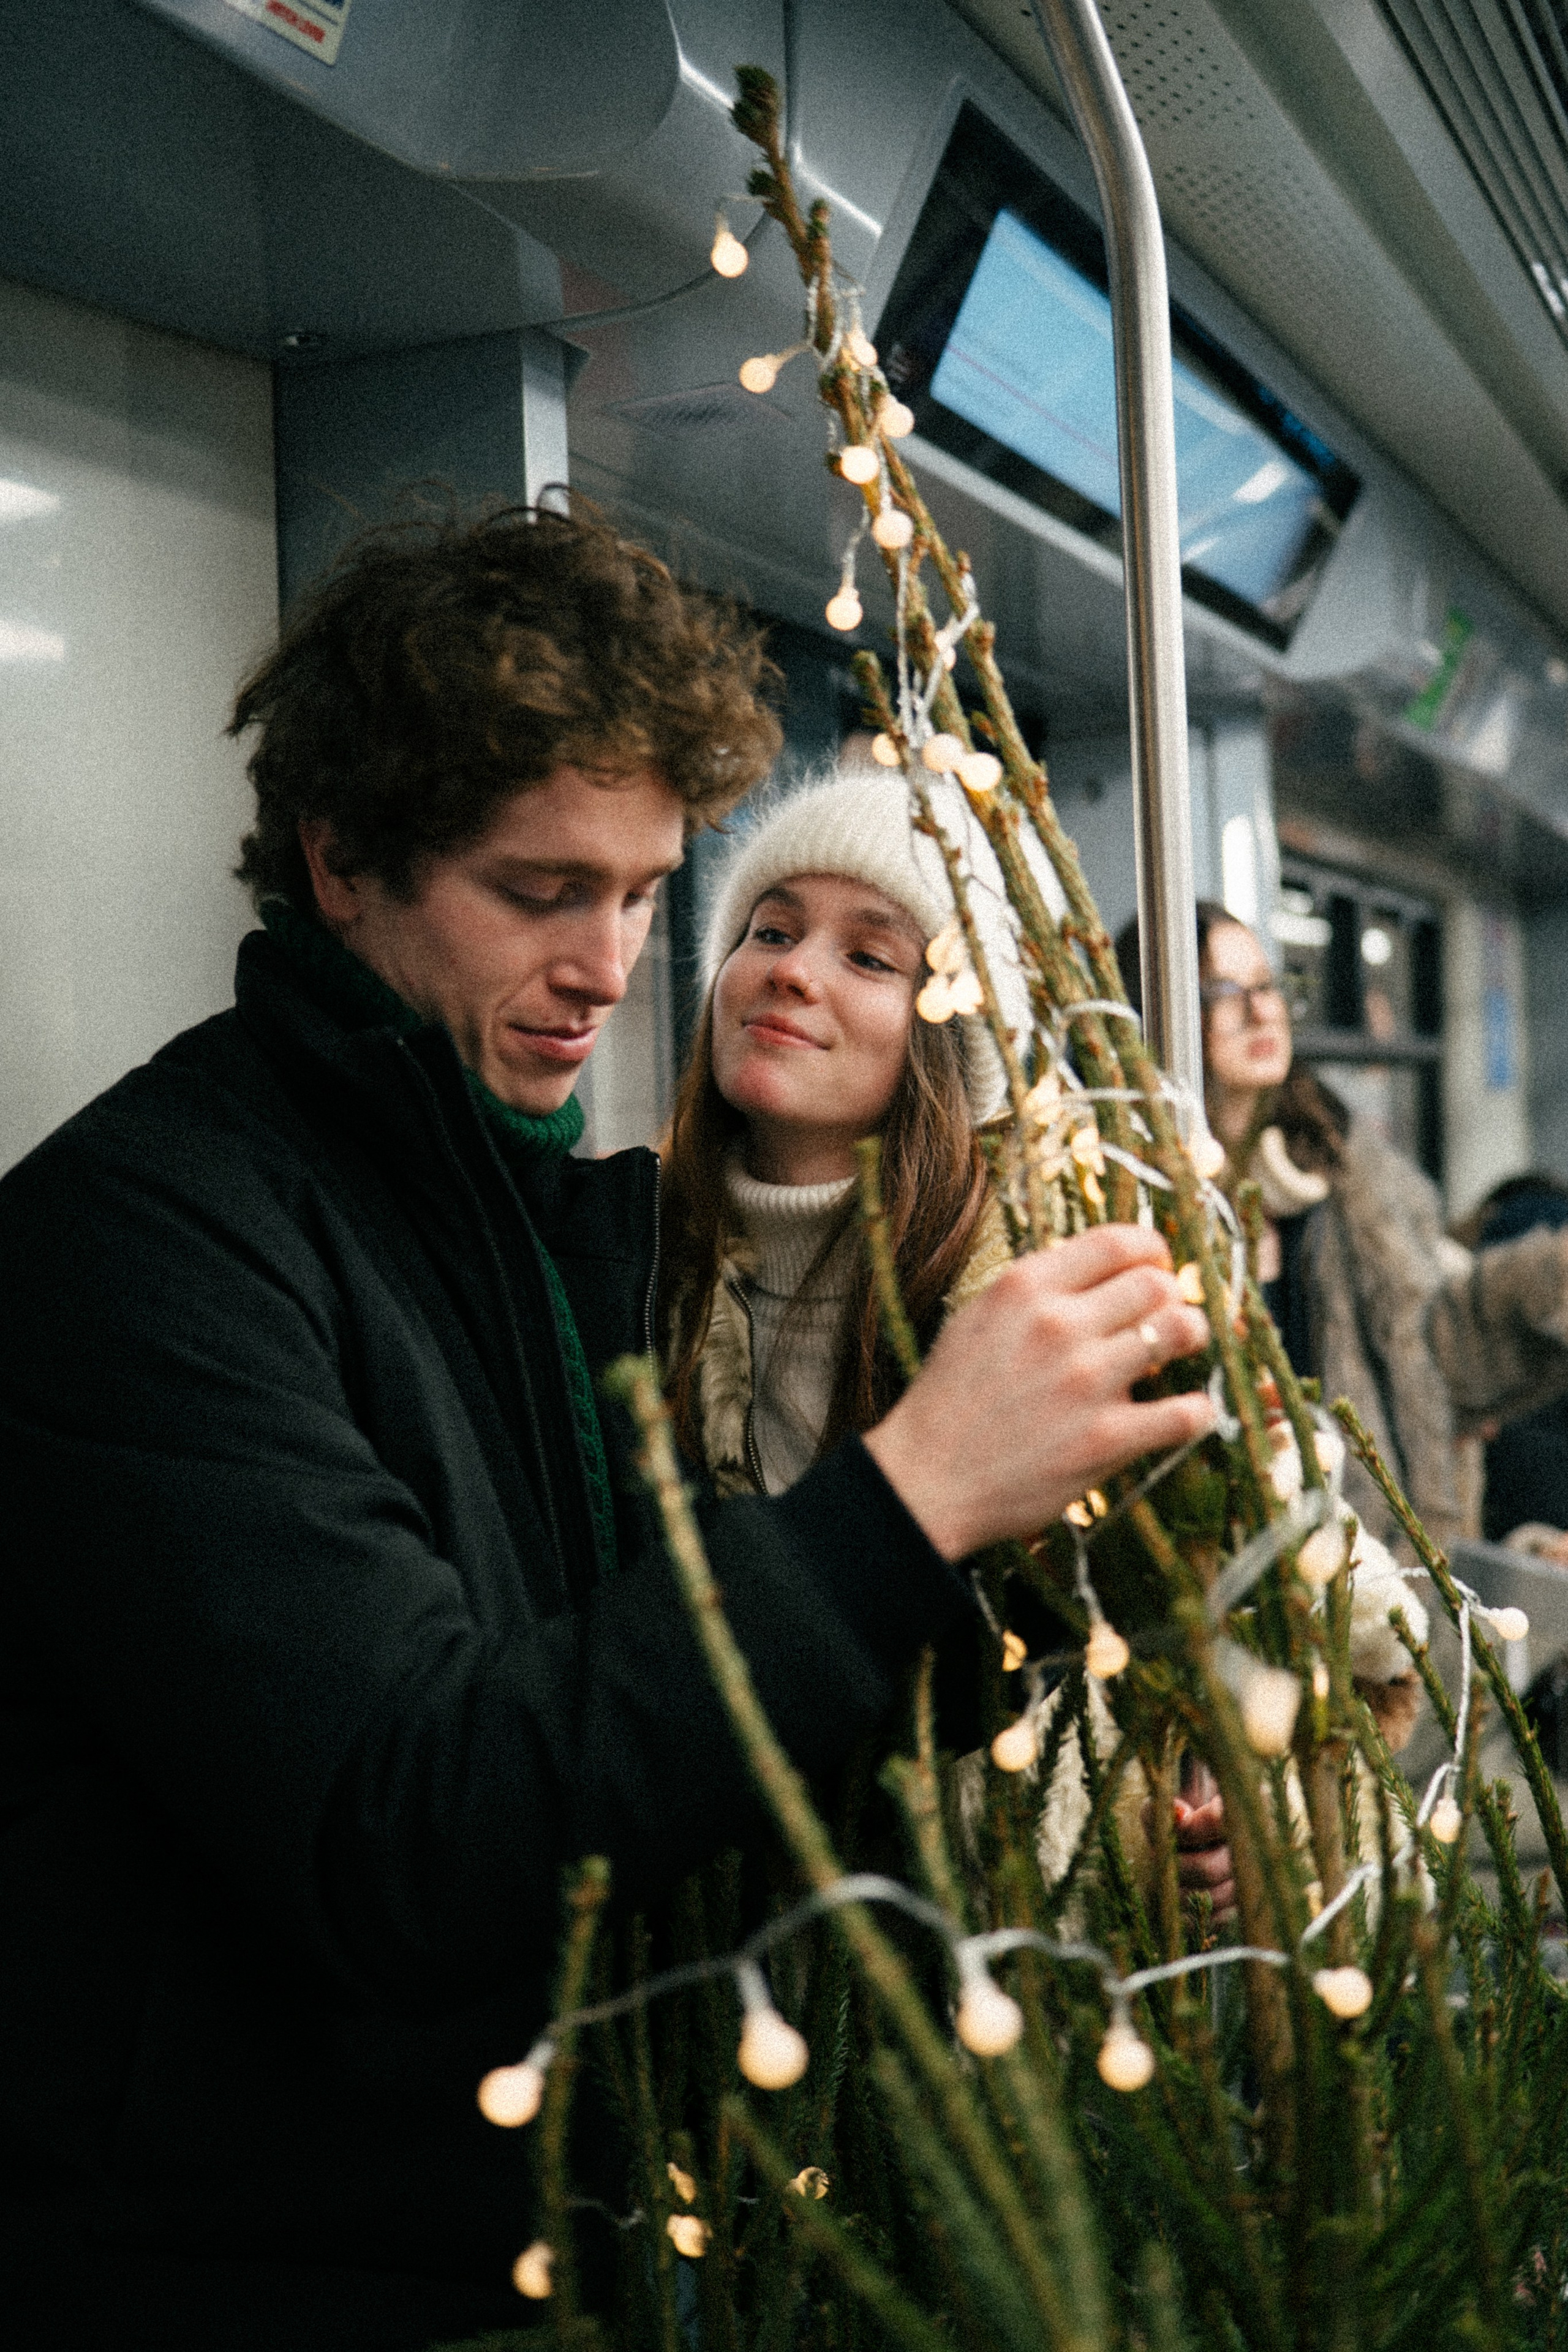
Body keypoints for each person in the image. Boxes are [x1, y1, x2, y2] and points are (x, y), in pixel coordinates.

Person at [0, 504, 1215, 2352]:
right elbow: (412, 1827)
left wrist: (1061, 1685)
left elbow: (657, 1713)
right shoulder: (147, 1240)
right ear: (339, 860)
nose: (611, 962)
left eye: (647, 893)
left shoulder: (533, 1217)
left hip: (549, 2239)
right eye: (541, 890)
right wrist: (909, 1499)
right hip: (248, 2271)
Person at [659, 770, 1234, 1913]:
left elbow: (1230, 1596)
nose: (792, 969)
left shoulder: (1047, 1298)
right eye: (770, 930)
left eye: (870, 957)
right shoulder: (630, 1263)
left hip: (1000, 1950)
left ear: (952, 1033)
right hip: (720, 1941)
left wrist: (1221, 1800)